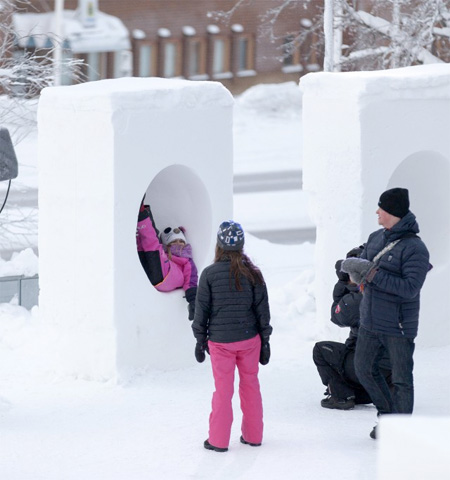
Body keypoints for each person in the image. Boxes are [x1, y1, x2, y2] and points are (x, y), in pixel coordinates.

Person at [342, 188, 431, 439]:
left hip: (398, 326)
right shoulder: (375, 237)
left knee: (402, 379)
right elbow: (364, 275)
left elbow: (409, 289)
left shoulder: (415, 248)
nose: (377, 212)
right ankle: (388, 417)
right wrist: (351, 271)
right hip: (370, 319)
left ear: (393, 212)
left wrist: (370, 272)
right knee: (364, 369)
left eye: (381, 208)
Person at [192, 221, 272, 452]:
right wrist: (265, 340)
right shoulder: (253, 274)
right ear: (241, 246)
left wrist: (199, 340)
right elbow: (262, 311)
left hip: (221, 342)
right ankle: (253, 436)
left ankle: (218, 440)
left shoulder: (208, 274)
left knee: (223, 391)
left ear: (219, 246)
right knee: (251, 386)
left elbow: (202, 311)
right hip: (249, 340)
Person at [313, 247, 392, 410]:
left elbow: (337, 316)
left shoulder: (357, 300)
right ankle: (380, 391)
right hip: (392, 368)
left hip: (369, 366)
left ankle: (341, 396)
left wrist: (343, 283)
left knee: (321, 350)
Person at [136, 201, 198, 319]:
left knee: (152, 245)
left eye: (181, 241)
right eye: (174, 242)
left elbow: (191, 280)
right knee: (142, 250)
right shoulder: (165, 254)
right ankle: (143, 212)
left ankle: (142, 213)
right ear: (168, 244)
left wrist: (193, 301)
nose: (178, 244)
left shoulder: (186, 259)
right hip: (158, 276)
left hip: (169, 276)